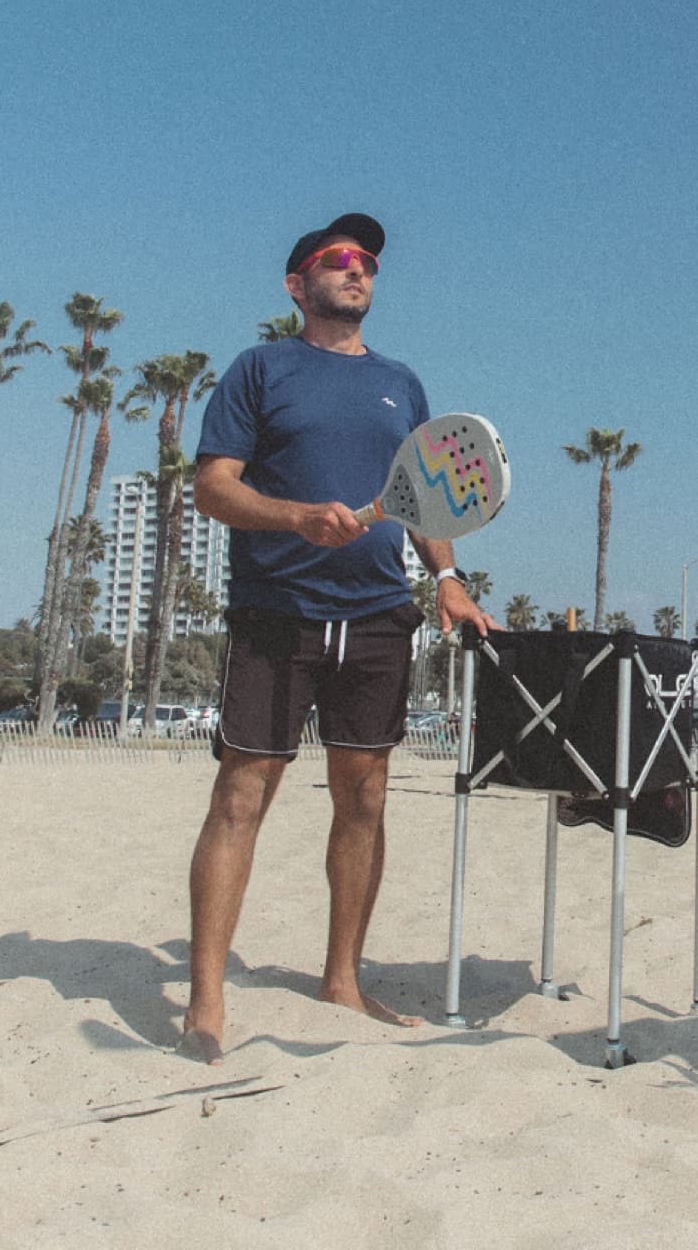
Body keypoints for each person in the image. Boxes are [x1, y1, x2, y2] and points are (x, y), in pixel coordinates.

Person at [180, 212, 496, 1065]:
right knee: (242, 797)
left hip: (377, 614)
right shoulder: (260, 369)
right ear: (297, 284)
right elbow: (212, 487)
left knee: (364, 799)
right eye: (338, 259)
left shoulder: (401, 383)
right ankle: (206, 1000)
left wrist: (449, 580)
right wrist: (293, 518)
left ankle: (342, 980)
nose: (358, 270)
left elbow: (428, 492)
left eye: (368, 263)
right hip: (276, 612)